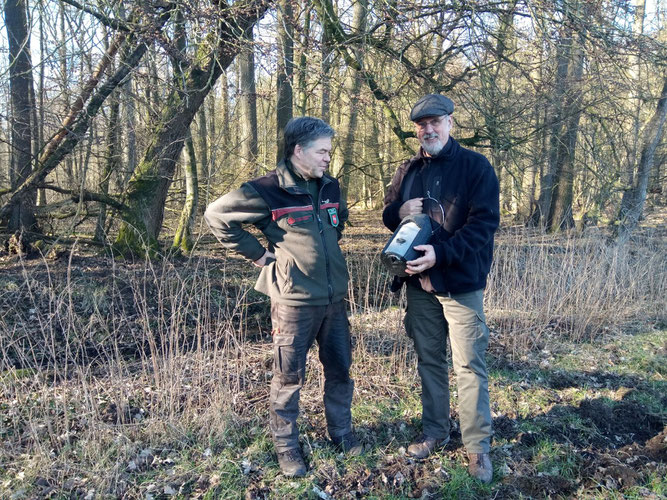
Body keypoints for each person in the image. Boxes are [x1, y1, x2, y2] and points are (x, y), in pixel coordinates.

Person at [204, 117, 361, 477]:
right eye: (322, 152)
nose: (327, 158)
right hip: (293, 302)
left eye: (329, 152)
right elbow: (216, 215)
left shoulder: (330, 186)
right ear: (298, 151)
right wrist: (258, 255)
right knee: (289, 377)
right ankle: (287, 446)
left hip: (334, 300)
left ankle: (342, 433)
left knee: (340, 371)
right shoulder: (266, 189)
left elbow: (339, 222)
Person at [382, 94, 499, 484]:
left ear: (451, 123)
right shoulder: (408, 169)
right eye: (421, 124)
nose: (428, 130)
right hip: (417, 284)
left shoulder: (475, 167)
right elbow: (389, 215)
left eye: (435, 122)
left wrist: (442, 254)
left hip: (460, 284)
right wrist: (398, 212)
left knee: (468, 365)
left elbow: (483, 227)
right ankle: (435, 430)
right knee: (429, 360)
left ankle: (477, 447)